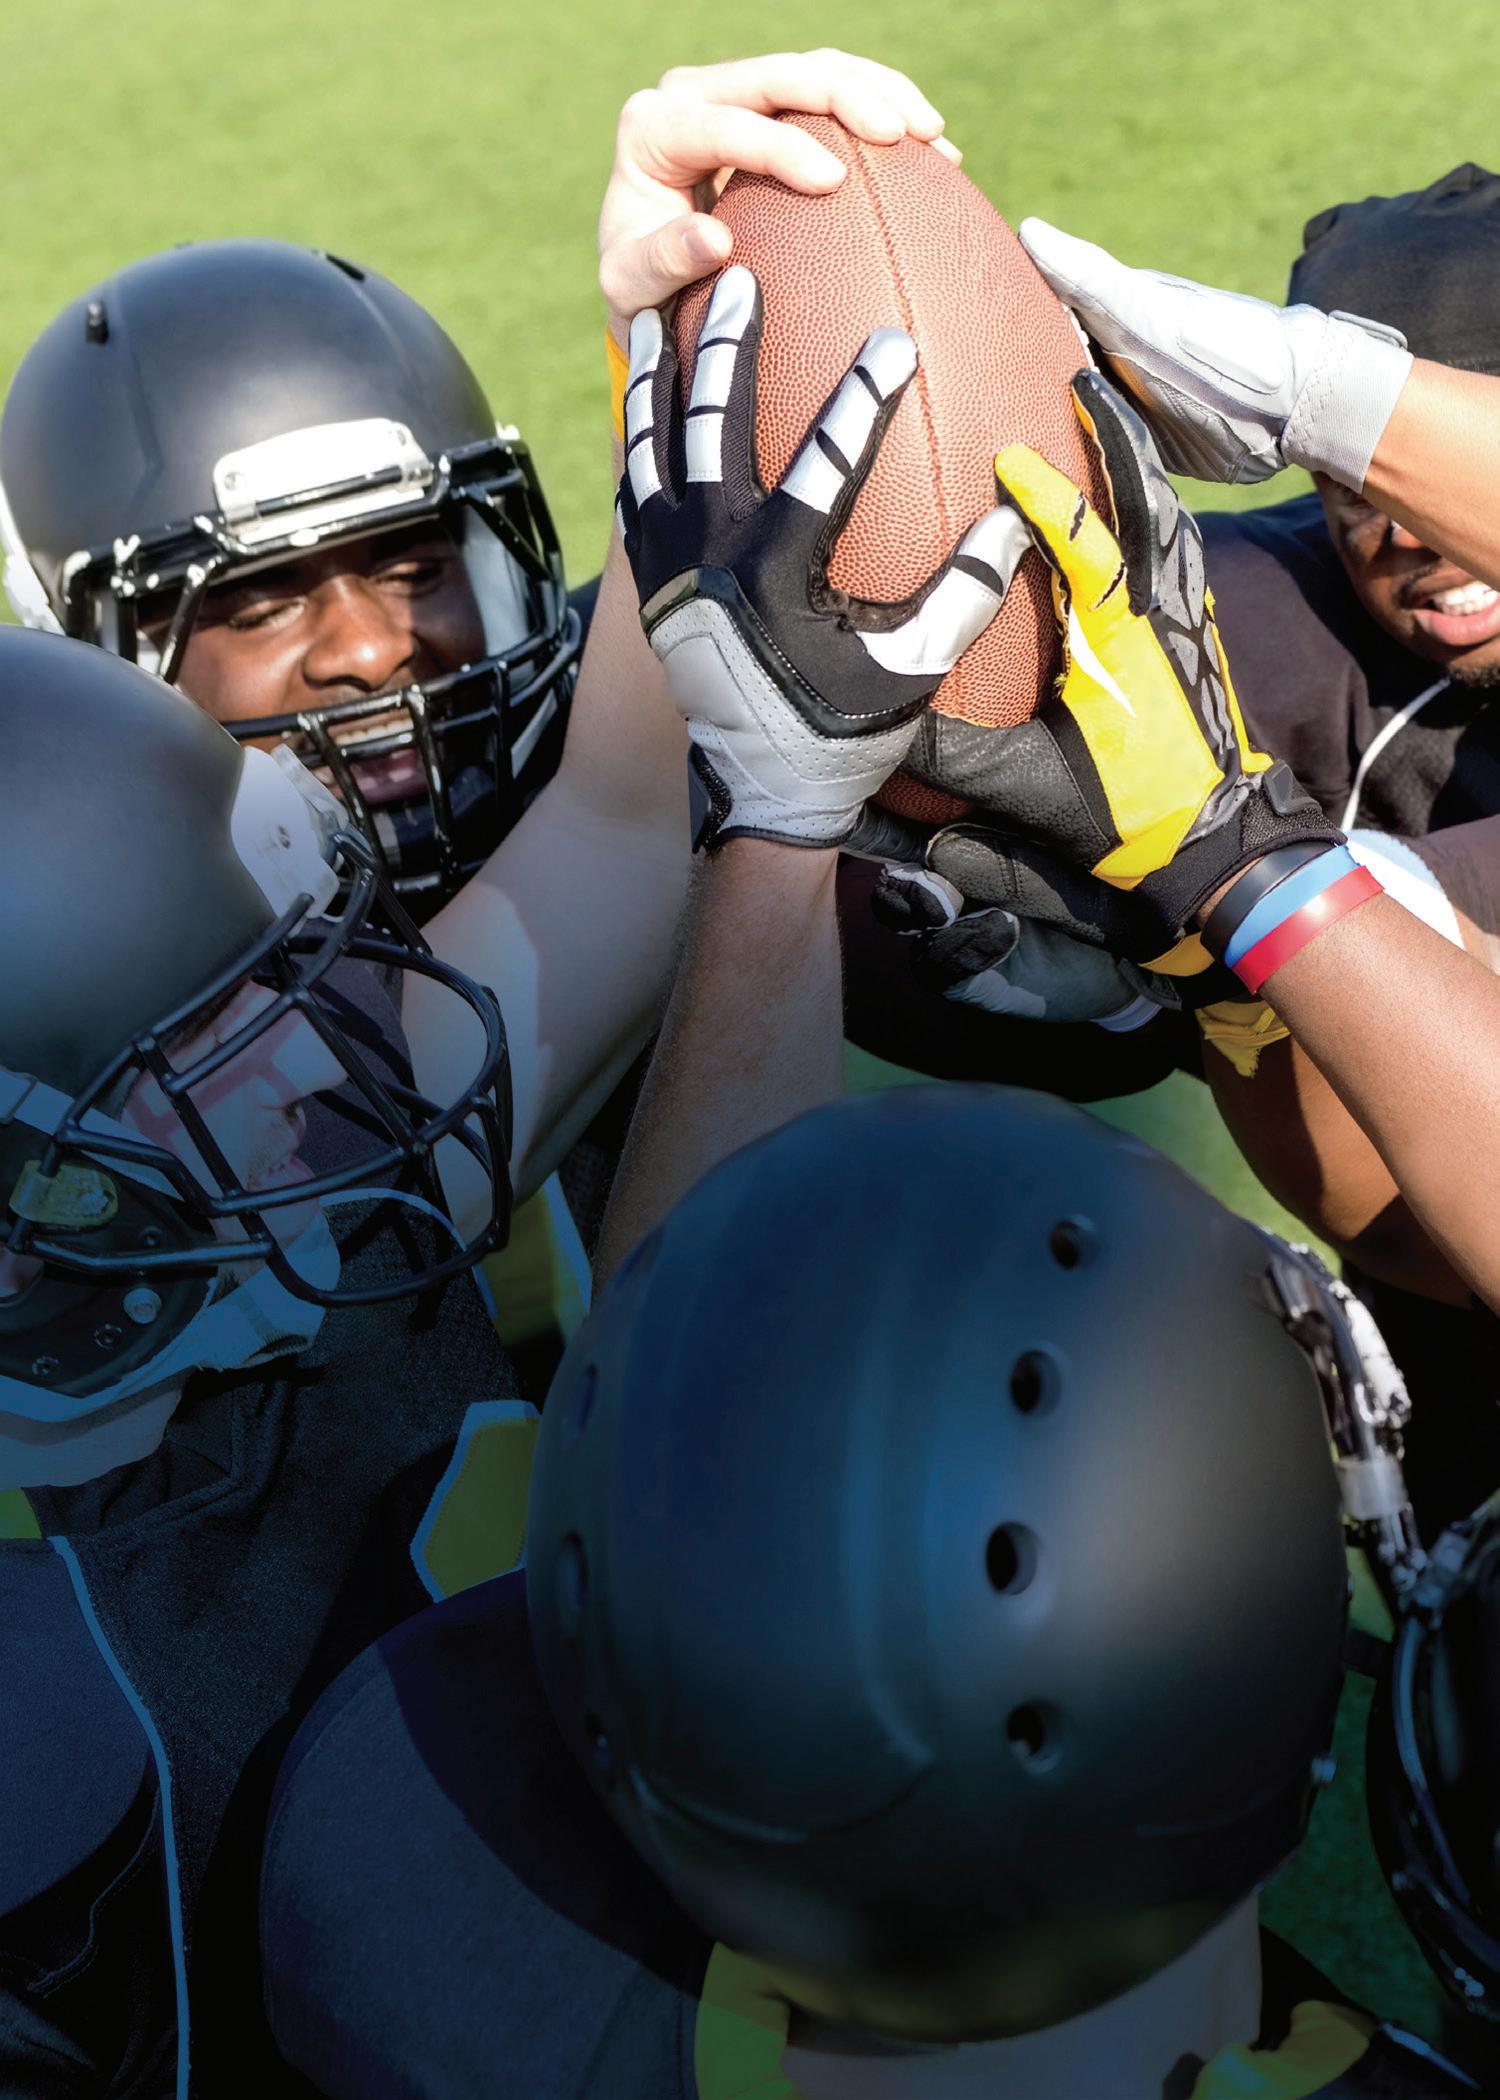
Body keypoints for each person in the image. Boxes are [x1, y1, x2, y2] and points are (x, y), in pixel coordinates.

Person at [0, 53, 965, 2096]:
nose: (339, 1063)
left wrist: (671, 320)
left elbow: (612, 820)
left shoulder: (250, 1166)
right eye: (234, 1039)